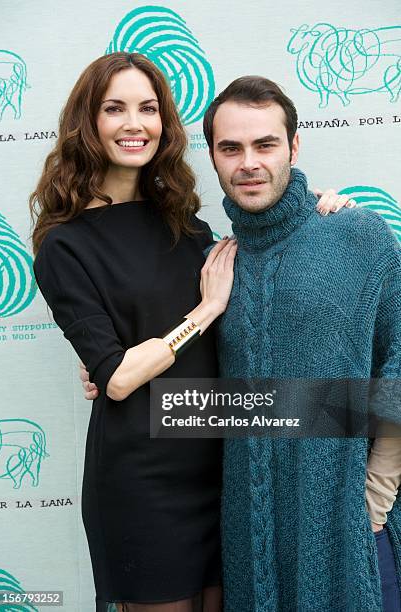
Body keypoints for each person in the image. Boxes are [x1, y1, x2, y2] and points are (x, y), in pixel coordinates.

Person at [31, 52, 347, 611]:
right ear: (88, 122)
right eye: (115, 108)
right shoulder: (65, 244)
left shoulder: (183, 218)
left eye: (148, 108)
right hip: (143, 482)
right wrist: (200, 315)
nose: (135, 124)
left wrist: (316, 211)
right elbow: (120, 379)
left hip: (220, 469)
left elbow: (254, 283)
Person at [200, 76, 401, 611]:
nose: (249, 162)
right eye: (230, 148)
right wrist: (104, 374)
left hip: (349, 526)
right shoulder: (215, 263)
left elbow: (398, 367)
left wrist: (375, 499)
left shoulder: (357, 235)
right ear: (214, 157)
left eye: (265, 144)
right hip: (249, 533)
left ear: (294, 146)